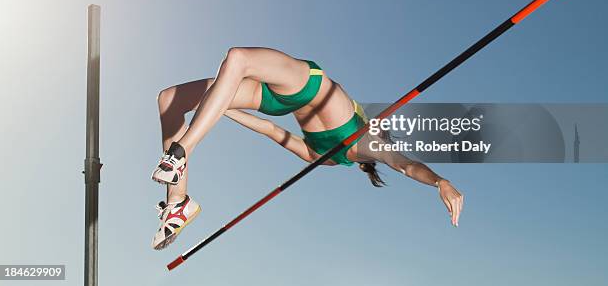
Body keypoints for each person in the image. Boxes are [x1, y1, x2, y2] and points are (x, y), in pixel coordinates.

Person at [151, 47, 463, 250]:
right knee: (170, 100)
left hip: (282, 99)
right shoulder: (350, 140)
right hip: (300, 83)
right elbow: (271, 130)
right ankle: (178, 202)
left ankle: (181, 152)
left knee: (237, 58)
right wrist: (218, 106)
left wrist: (439, 181)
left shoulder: (354, 148)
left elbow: (406, 165)